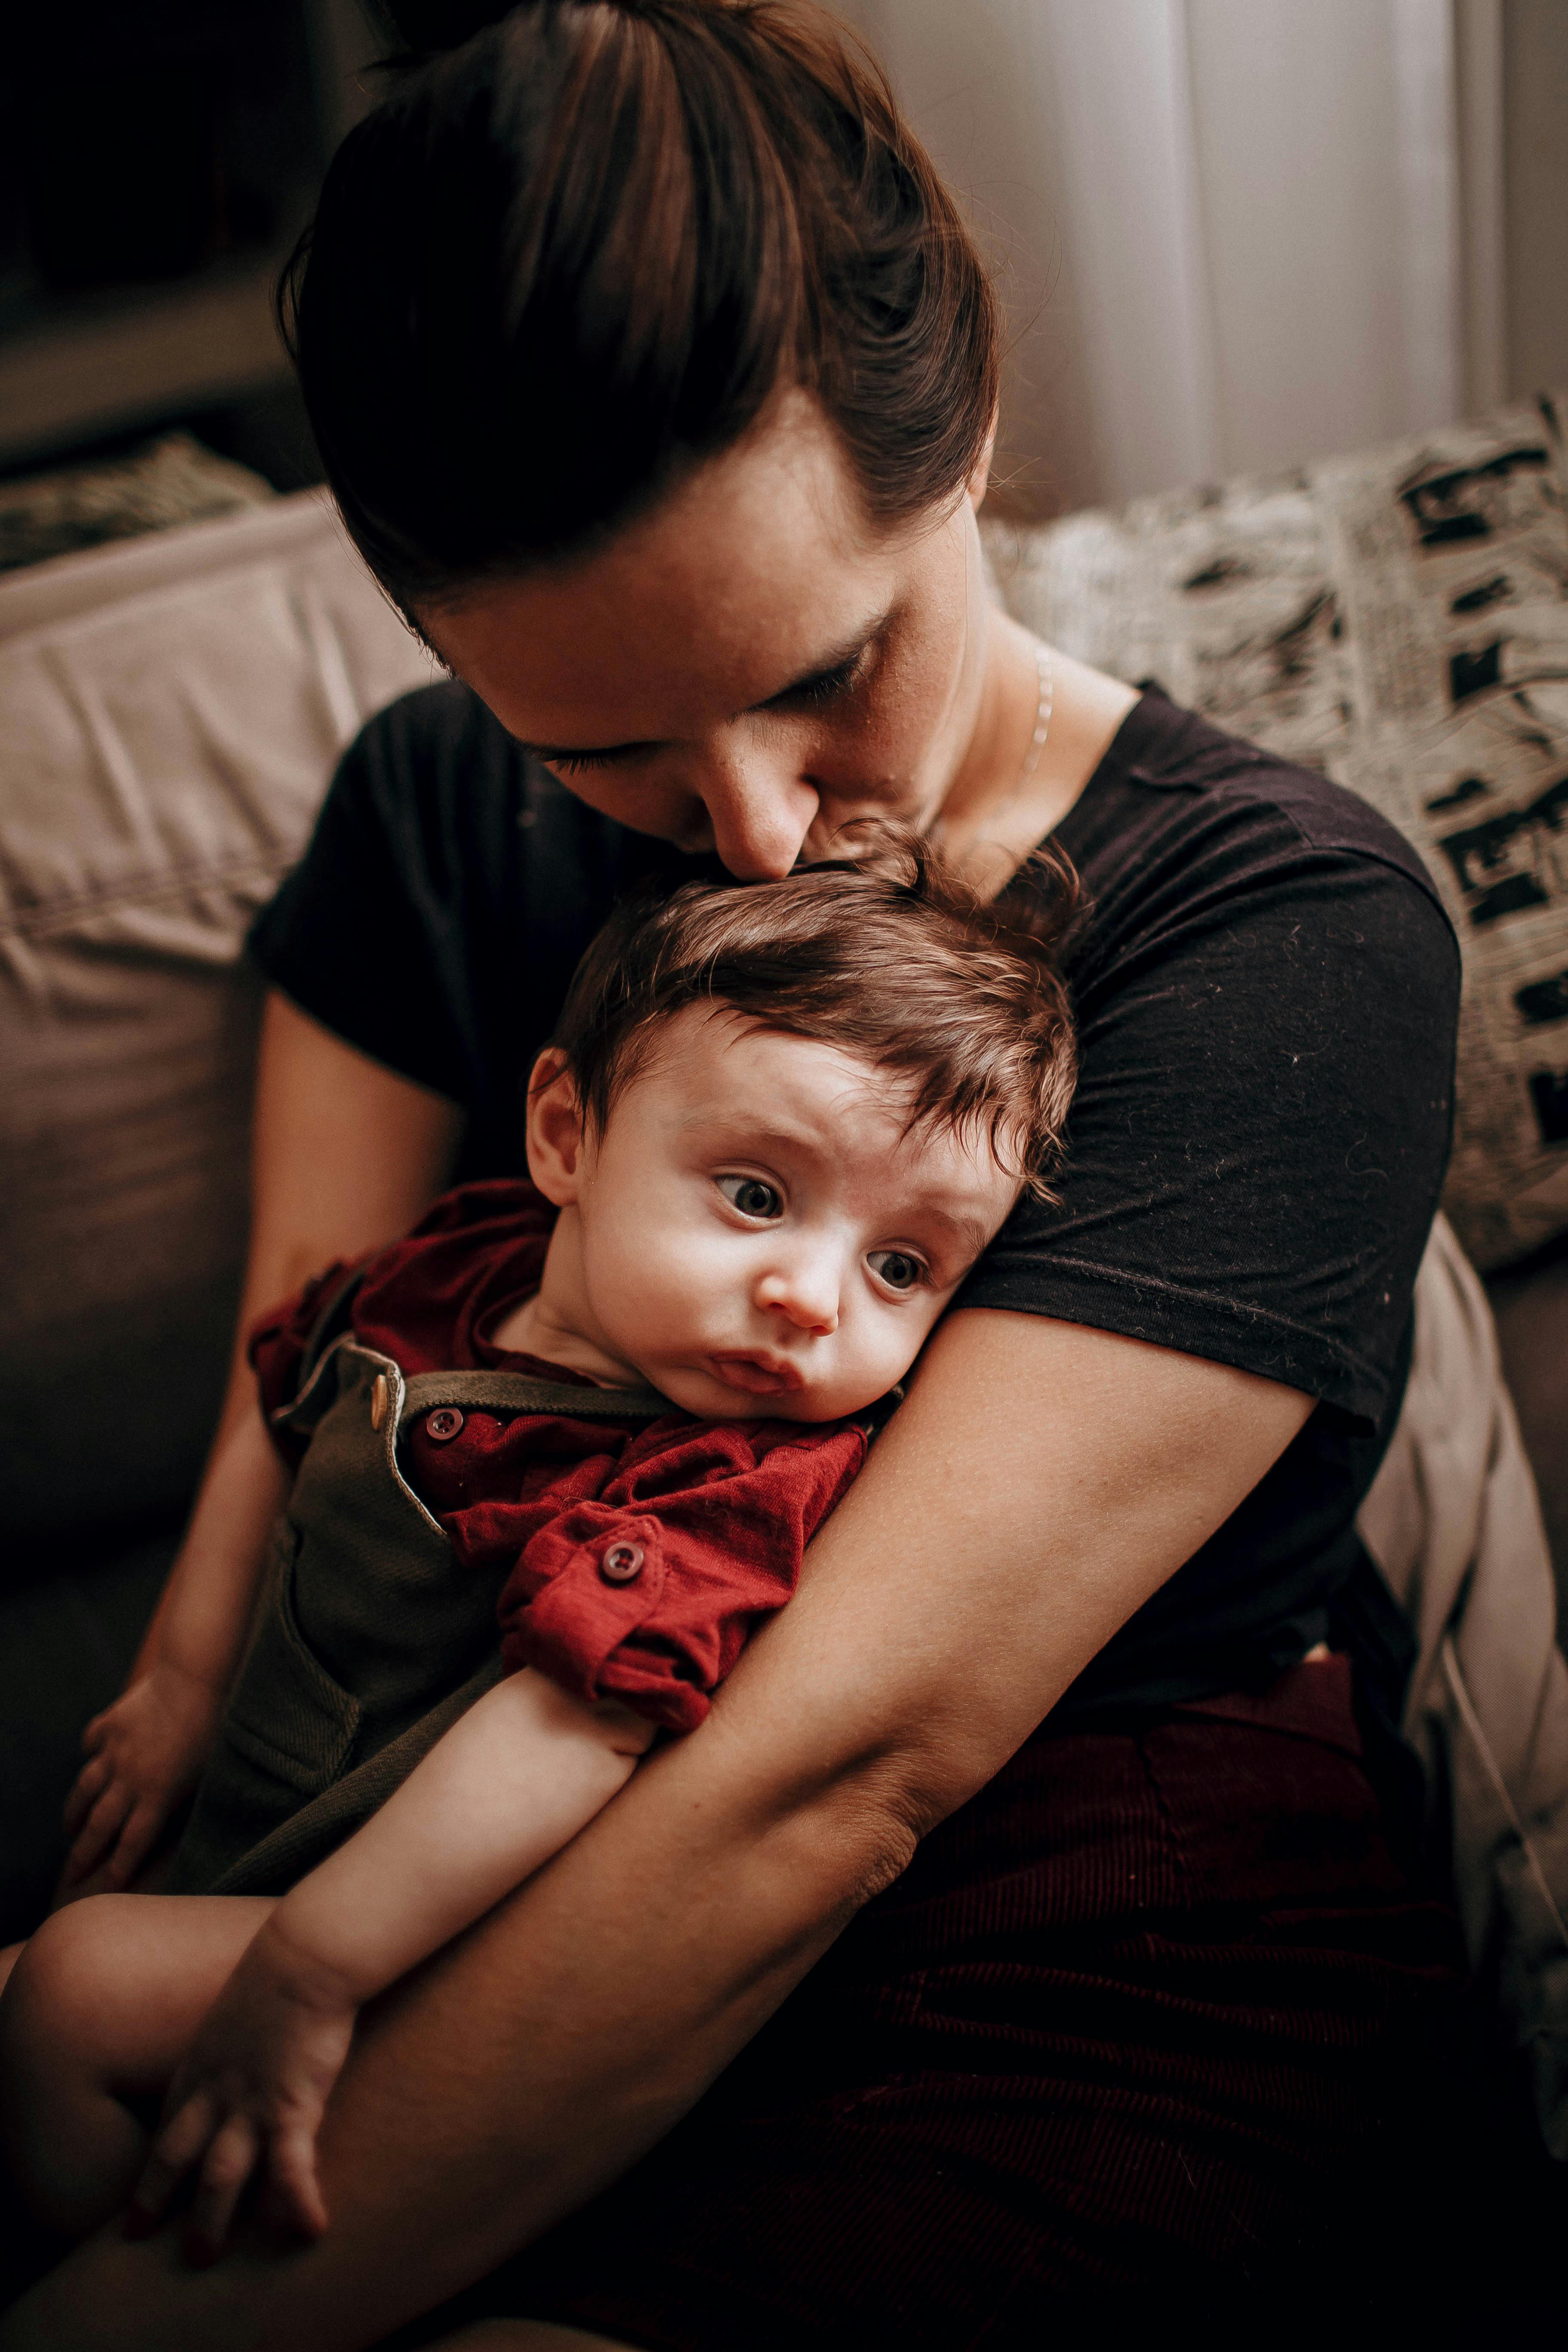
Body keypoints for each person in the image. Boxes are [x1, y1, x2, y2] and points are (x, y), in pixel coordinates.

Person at [0, 3, 1466, 2343]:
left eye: (826, 672)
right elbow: (320, 1309)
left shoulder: (1286, 937)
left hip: (1060, 1948)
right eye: (608, 755)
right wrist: (188, 1720)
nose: (767, 833)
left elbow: (833, 1774)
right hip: (471, 1844)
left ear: (967, 428)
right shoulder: (434, 807)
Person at [0, 842, 1075, 2263]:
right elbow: (287, 1391)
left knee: (69, 1992)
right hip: (255, 1834)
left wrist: (315, 1969)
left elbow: (574, 1729)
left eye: (903, 1267)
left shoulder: (726, 1481)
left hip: (430, 1936)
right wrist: (184, 1686)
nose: (812, 1299)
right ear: (566, 1138)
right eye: (757, 1194)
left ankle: (108, 2299)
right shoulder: (457, 1266)